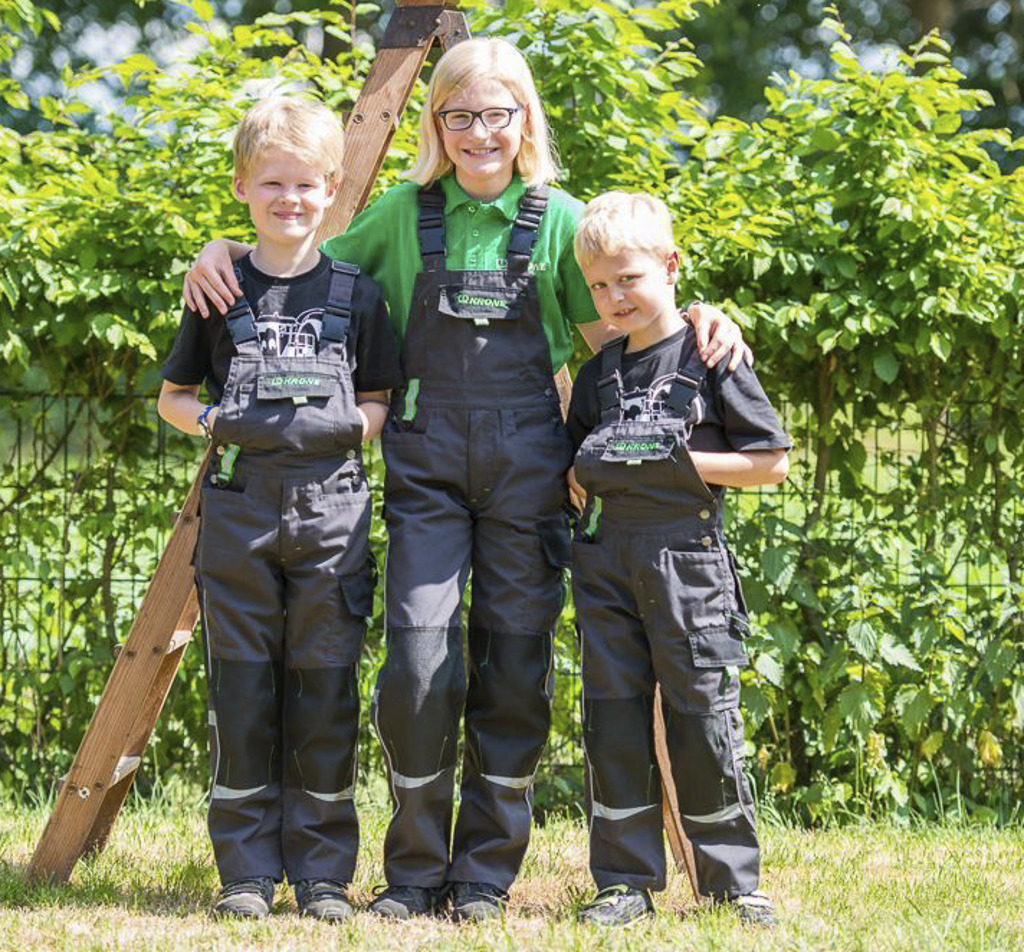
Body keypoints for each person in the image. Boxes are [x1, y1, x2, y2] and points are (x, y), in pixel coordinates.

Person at [181, 38, 749, 922]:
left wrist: (703, 317)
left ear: (525, 120)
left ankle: (484, 874)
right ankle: (411, 872)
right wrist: (216, 249)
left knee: (516, 672)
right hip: (427, 476)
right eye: (459, 116)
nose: (479, 133)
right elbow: (297, 258)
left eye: (497, 114)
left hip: (531, 477)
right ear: (436, 127)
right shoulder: (405, 216)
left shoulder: (559, 218)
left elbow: (624, 321)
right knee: (415, 664)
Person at [158, 97, 403, 922]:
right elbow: (172, 399)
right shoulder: (216, 286)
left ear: (333, 188)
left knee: (325, 692)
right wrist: (216, 422)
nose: (289, 199)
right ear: (242, 187)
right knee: (242, 693)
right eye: (272, 183)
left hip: (331, 513)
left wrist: (344, 429)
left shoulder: (359, 296)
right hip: (239, 514)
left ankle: (326, 873)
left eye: (305, 184)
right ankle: (247, 873)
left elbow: (378, 400)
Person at [566, 191, 790, 927]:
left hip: (686, 564)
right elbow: (574, 470)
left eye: (627, 279)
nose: (613, 297)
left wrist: (679, 458)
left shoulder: (710, 353)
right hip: (606, 565)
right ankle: (624, 882)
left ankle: (732, 883)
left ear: (669, 266)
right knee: (613, 721)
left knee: (703, 719)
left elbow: (771, 462)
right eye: (600, 285)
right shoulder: (598, 374)